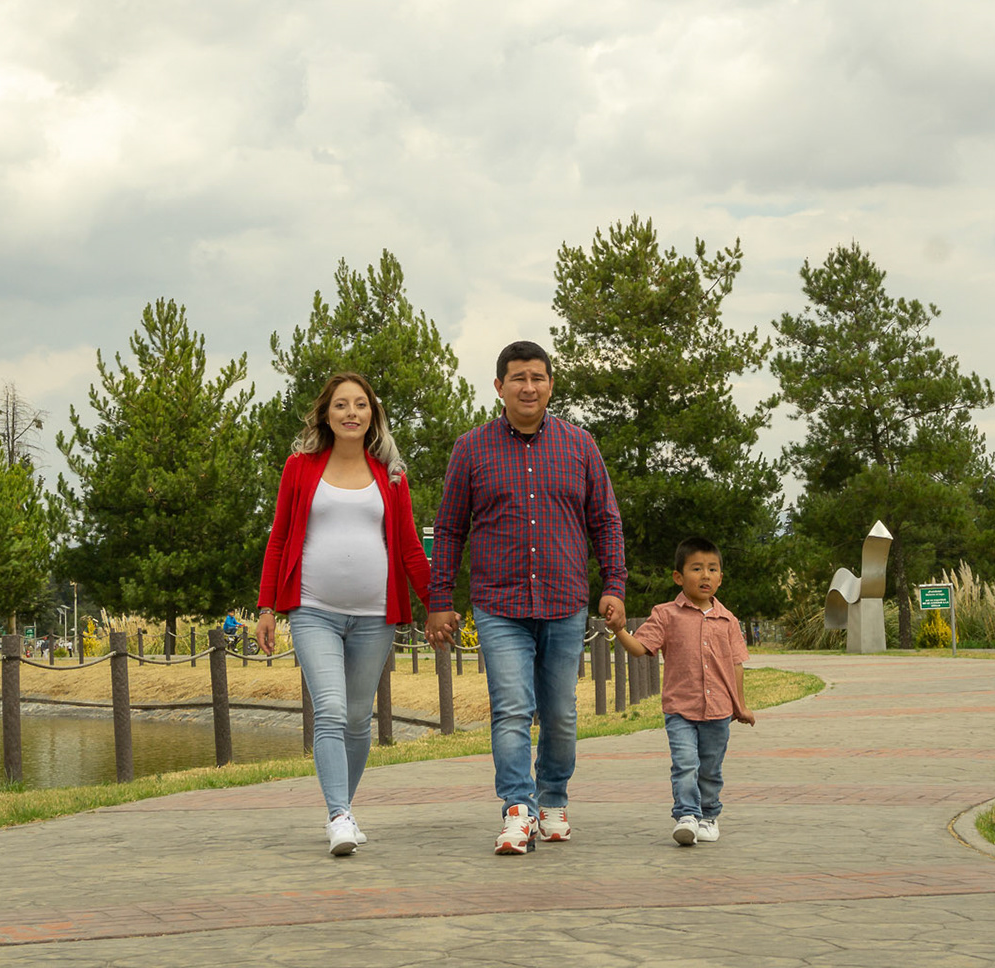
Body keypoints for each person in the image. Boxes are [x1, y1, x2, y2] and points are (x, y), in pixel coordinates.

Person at [427, 341, 627, 856]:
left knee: (560, 714)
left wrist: (614, 585)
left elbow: (606, 522)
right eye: (518, 378)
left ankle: (553, 798)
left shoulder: (581, 445)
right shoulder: (470, 448)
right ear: (499, 386)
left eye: (538, 377)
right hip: (499, 604)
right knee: (512, 709)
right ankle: (518, 809)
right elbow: (449, 529)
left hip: (564, 601)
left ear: (551, 385)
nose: (529, 387)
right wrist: (439, 597)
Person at [256, 372, 430, 857]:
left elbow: (410, 547)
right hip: (313, 610)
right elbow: (279, 537)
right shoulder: (300, 467)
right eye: (340, 405)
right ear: (326, 414)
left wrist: (436, 602)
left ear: (372, 413)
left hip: (376, 616)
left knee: (357, 718)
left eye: (360, 404)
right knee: (330, 710)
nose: (351, 412)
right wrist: (267, 606)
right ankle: (338, 816)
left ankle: (344, 810)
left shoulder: (391, 475)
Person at [610, 538, 755, 846]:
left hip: (719, 711)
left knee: (710, 768)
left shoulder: (728, 619)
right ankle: (687, 815)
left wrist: (740, 706)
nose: (705, 575)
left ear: (720, 578)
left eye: (712, 569)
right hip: (680, 709)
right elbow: (640, 648)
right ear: (678, 576)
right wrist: (619, 630)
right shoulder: (666, 615)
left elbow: (736, 665)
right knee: (685, 763)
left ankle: (708, 816)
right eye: (696, 568)